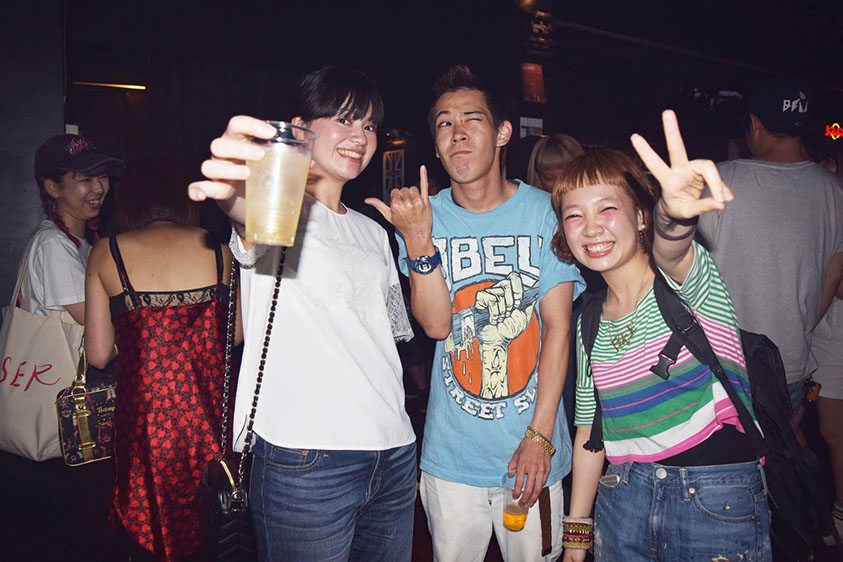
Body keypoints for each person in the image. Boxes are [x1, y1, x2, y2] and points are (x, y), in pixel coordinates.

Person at [188, 67, 417, 561]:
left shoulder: (373, 231)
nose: (361, 137)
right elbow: (249, 216)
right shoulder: (281, 211)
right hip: (307, 457)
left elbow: (387, 336)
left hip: (394, 450)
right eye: (344, 119)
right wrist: (234, 192)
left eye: (370, 125)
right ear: (299, 127)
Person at [367, 65, 584, 562]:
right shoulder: (422, 218)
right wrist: (418, 239)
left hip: (533, 449)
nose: (457, 132)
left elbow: (557, 328)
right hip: (451, 457)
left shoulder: (545, 212)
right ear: (436, 143)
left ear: (503, 132)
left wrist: (540, 436)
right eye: (444, 123)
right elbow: (436, 325)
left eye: (472, 119)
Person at [555, 111, 771, 561]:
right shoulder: (587, 320)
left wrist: (673, 216)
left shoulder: (687, 285)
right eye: (574, 215)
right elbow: (590, 432)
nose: (591, 227)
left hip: (713, 498)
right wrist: (575, 536)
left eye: (607, 208)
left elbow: (673, 250)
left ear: (640, 216)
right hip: (622, 501)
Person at [85, 157, 232, 560]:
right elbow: (234, 335)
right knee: (213, 529)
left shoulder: (108, 251)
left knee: (149, 531)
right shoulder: (219, 251)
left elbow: (98, 354)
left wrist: (142, 338)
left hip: (145, 428)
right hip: (209, 422)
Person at [0, 134, 122, 560]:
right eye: (83, 178)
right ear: (52, 187)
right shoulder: (53, 244)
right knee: (65, 528)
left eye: (102, 176)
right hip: (59, 412)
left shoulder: (75, 242)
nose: (98, 187)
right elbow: (91, 320)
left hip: (66, 414)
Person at [696, 79, 843, 433]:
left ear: (755, 124)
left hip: (717, 360)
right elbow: (832, 277)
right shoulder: (834, 192)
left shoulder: (720, 180)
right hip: (788, 361)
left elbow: (683, 270)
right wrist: (797, 326)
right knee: (776, 457)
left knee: (719, 459)